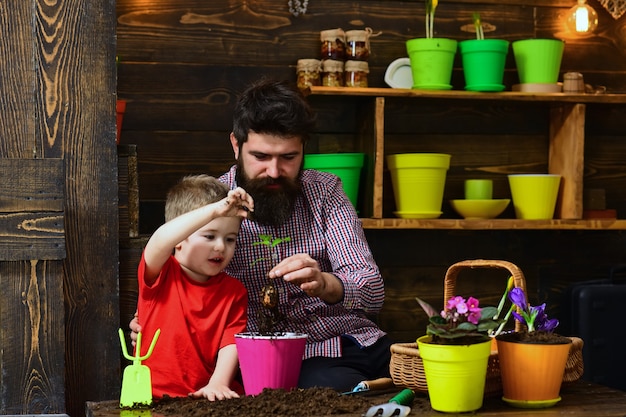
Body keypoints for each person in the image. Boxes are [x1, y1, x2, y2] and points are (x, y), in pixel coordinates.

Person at [132, 78, 391, 392]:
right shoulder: (210, 208)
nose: (274, 171)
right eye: (261, 157)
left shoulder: (325, 192)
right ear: (236, 145)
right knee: (314, 390)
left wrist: (325, 283)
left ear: (303, 149)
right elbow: (172, 277)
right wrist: (154, 318)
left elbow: (373, 291)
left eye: (288, 158)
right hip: (268, 360)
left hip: (348, 342)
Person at [136, 174, 254, 401]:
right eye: (209, 236)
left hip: (207, 396)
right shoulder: (161, 273)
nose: (221, 247)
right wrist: (214, 211)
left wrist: (218, 383)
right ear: (179, 239)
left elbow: (231, 343)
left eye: (230, 239)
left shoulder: (234, 291)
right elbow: (160, 239)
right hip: (154, 397)